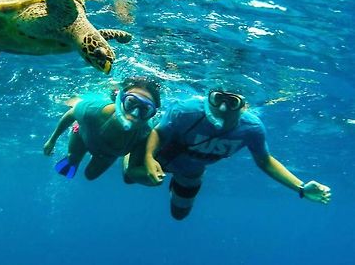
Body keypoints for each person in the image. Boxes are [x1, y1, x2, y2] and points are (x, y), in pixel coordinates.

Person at [124, 89, 332, 220]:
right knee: (129, 178)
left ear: (244, 106)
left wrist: (301, 187)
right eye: (217, 99)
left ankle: (166, 181)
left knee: (179, 214)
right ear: (209, 97)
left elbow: (265, 161)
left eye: (231, 102)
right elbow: (159, 133)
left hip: (191, 172)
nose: (223, 107)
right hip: (163, 158)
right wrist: (149, 158)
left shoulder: (251, 129)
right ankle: (129, 158)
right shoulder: (186, 111)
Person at [43, 76, 161, 180]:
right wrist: (52, 140)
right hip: (83, 134)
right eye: (131, 102)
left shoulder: (145, 133)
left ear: (152, 114)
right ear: (120, 99)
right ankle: (74, 151)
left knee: (90, 175)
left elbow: (132, 172)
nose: (135, 114)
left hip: (107, 154)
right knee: (72, 159)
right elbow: (71, 113)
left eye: (145, 110)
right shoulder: (93, 110)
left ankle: (126, 155)